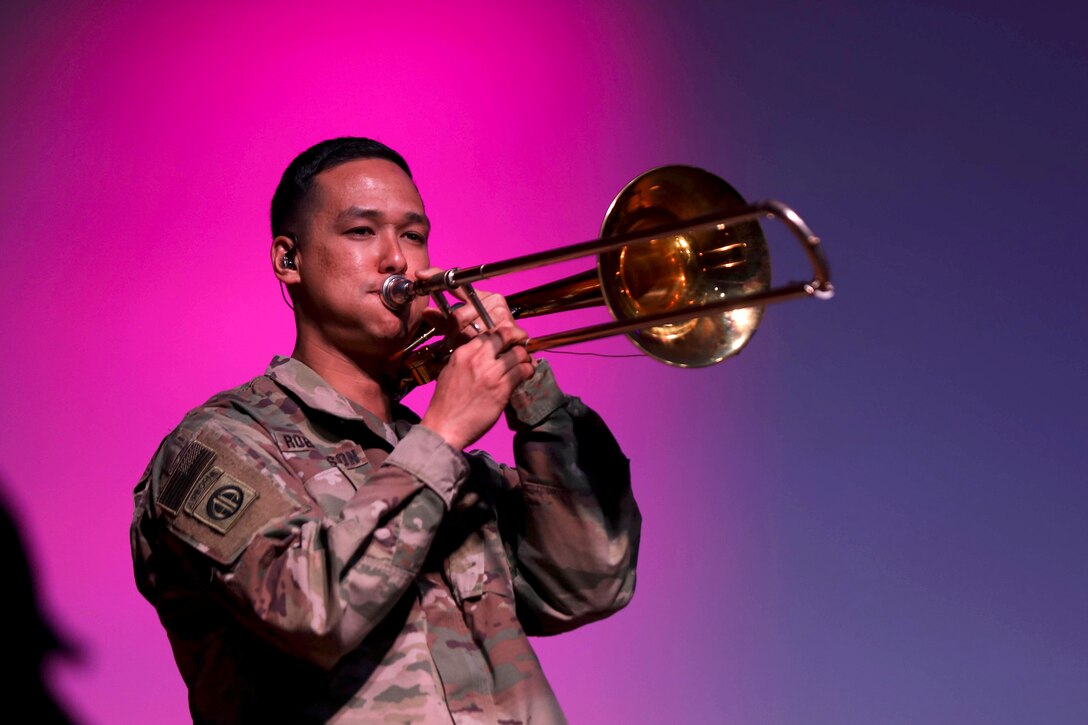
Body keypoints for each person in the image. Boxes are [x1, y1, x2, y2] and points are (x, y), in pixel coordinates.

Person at [130, 137, 641, 724]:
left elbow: (589, 583)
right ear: (288, 260)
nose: (398, 259)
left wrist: (533, 398)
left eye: (414, 234)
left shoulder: (457, 472)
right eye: (361, 232)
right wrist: (443, 433)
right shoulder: (218, 441)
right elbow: (312, 612)